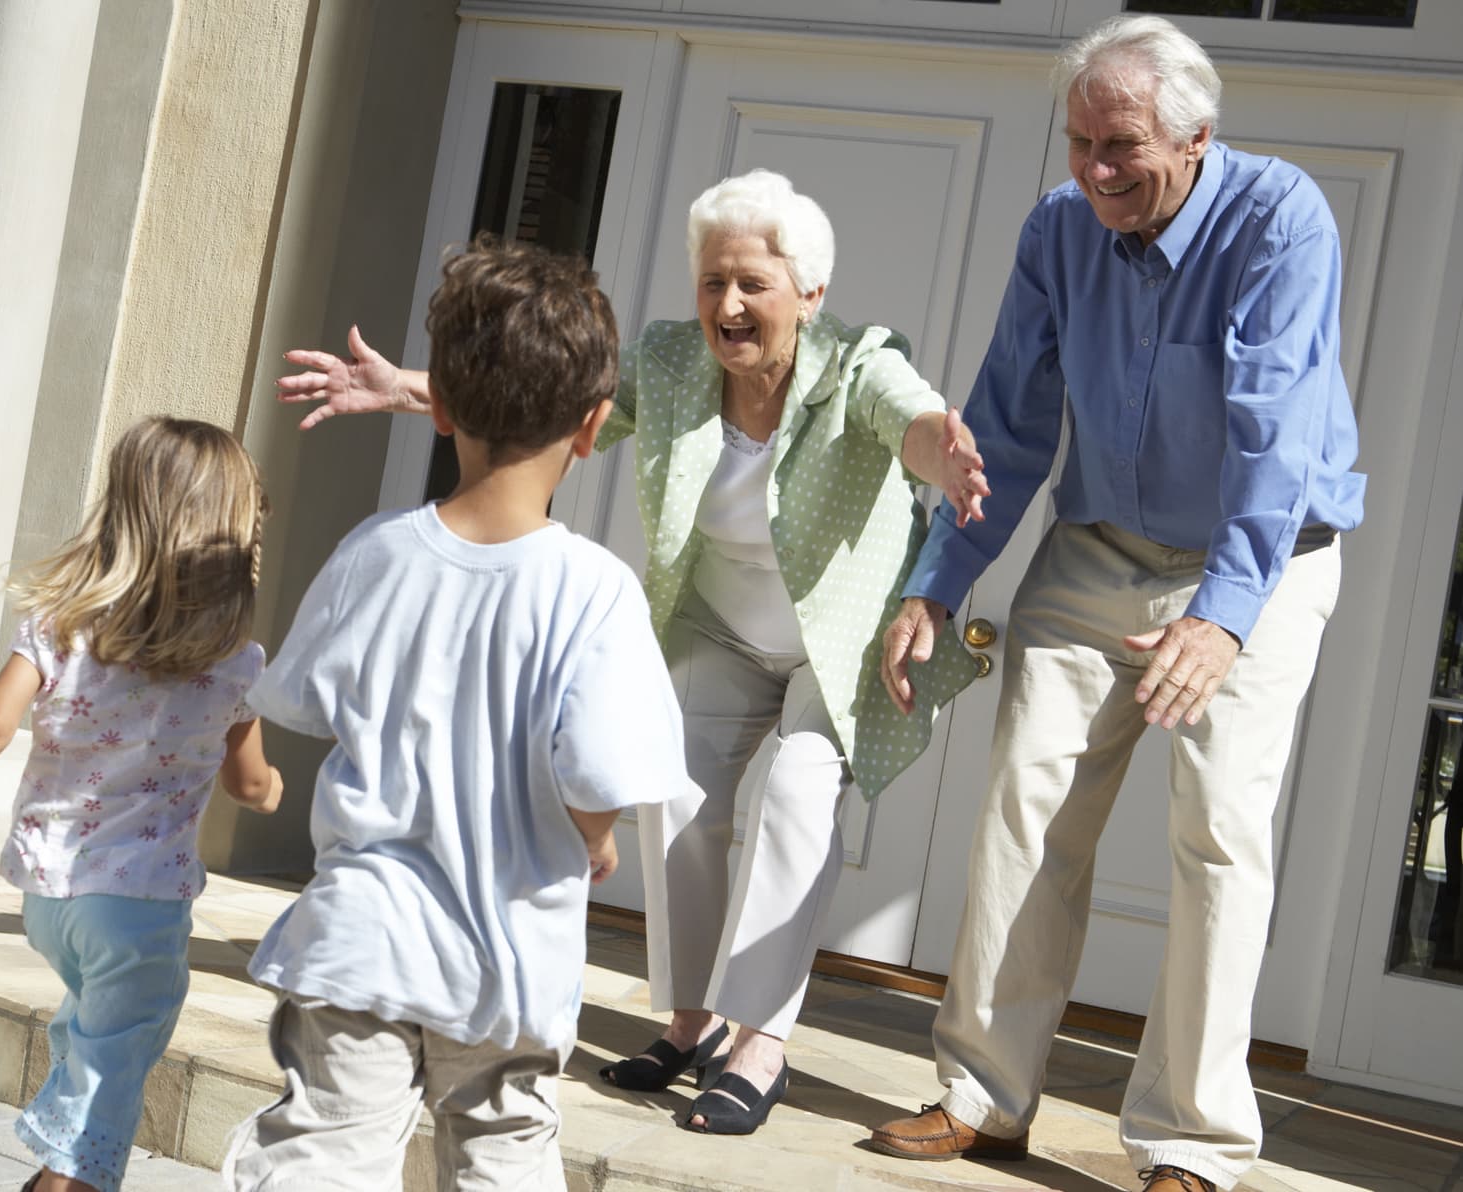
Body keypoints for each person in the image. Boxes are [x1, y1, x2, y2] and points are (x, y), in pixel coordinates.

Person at [275, 169, 985, 1135]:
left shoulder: (859, 363)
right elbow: (543, 397)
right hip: (721, 626)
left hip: (834, 641)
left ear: (808, 295)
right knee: (680, 795)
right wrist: (408, 387)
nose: (726, 307)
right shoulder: (669, 359)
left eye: (751, 286)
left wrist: (938, 453)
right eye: (710, 284)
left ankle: (759, 1039)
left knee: (795, 795)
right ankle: (691, 1018)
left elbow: (907, 418)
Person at [870, 15, 1365, 1192]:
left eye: (1121, 145)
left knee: (1214, 835)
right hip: (1094, 547)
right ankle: (981, 1095)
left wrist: (1223, 615)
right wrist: (940, 578)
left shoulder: (1277, 218)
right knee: (1024, 805)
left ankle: (1190, 1139)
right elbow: (1008, 414)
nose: (1093, 170)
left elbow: (1270, 429)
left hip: (1262, 557)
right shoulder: (1058, 228)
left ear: (1195, 138)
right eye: (1079, 141)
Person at [221, 235, 685, 1190]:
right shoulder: (596, 589)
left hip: (360, 939)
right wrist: (592, 835)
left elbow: (300, 699)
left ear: (440, 410)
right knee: (505, 1158)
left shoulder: (374, 551)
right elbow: (596, 778)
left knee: (323, 1154)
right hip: (507, 955)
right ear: (594, 425)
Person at [0, 417, 283, 1192]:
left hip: (50, 898)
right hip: (140, 908)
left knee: (92, 1032)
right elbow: (251, 785)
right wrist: (274, 789)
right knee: (113, 1076)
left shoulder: (60, 626)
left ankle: (58, 1154)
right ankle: (64, 1176)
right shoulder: (235, 662)